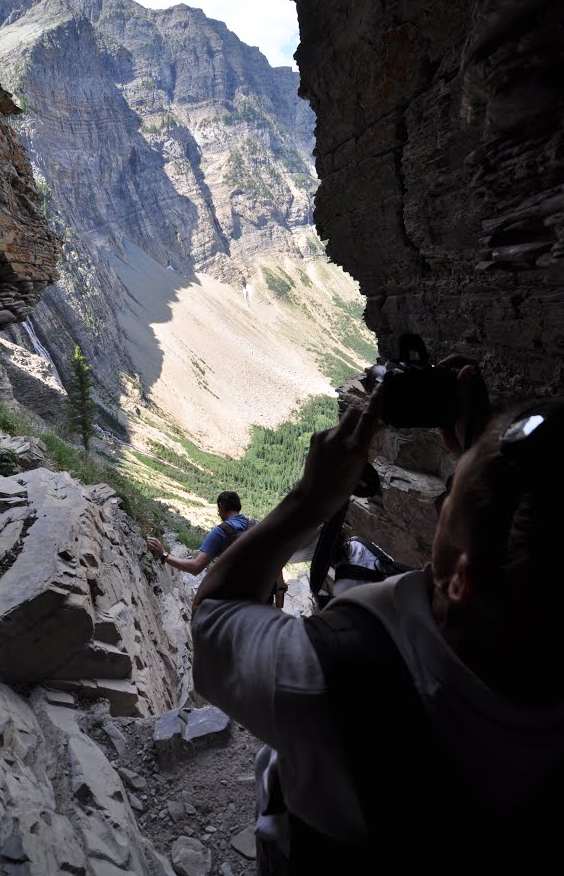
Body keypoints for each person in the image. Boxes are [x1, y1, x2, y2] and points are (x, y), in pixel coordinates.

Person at [190, 366, 564, 863]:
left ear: (460, 583)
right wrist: (484, 460)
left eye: (448, 499)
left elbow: (215, 614)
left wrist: (311, 497)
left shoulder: (326, 679)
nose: (440, 502)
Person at [147, 491, 288, 605]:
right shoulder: (258, 525)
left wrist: (164, 555)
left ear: (221, 506)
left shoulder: (221, 531)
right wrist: (279, 594)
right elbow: (277, 558)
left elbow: (196, 567)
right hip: (264, 600)